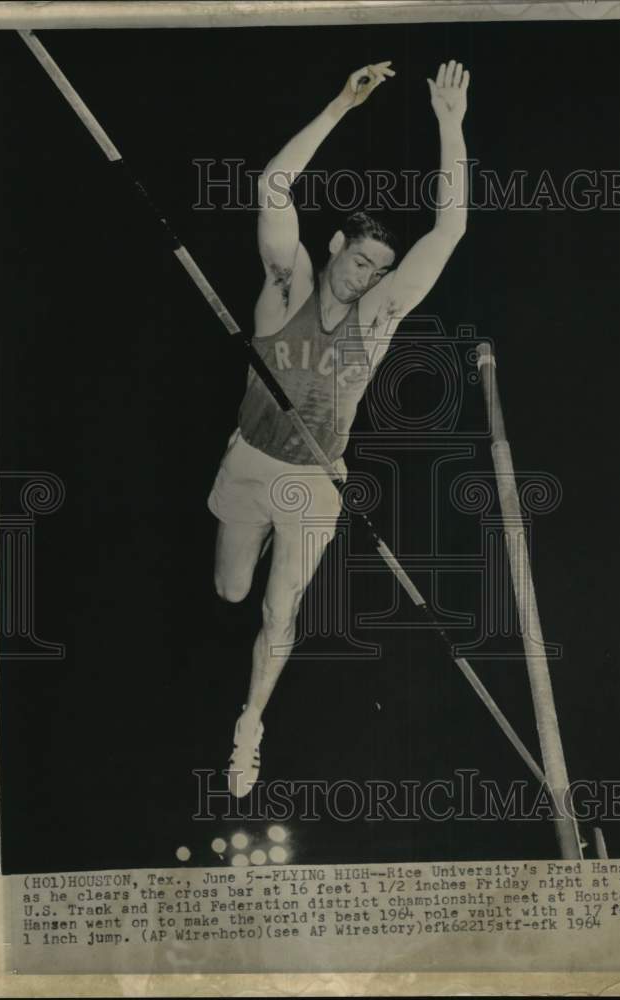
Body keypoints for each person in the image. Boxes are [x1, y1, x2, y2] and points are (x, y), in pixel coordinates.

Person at [208, 58, 470, 797]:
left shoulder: (380, 317)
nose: (366, 278)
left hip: (314, 479)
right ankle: (239, 586)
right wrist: (338, 107)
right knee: (231, 592)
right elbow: (272, 187)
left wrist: (449, 124)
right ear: (333, 248)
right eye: (360, 261)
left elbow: (449, 229)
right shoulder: (284, 281)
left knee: (280, 604)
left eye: (378, 270)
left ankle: (250, 726)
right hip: (250, 462)